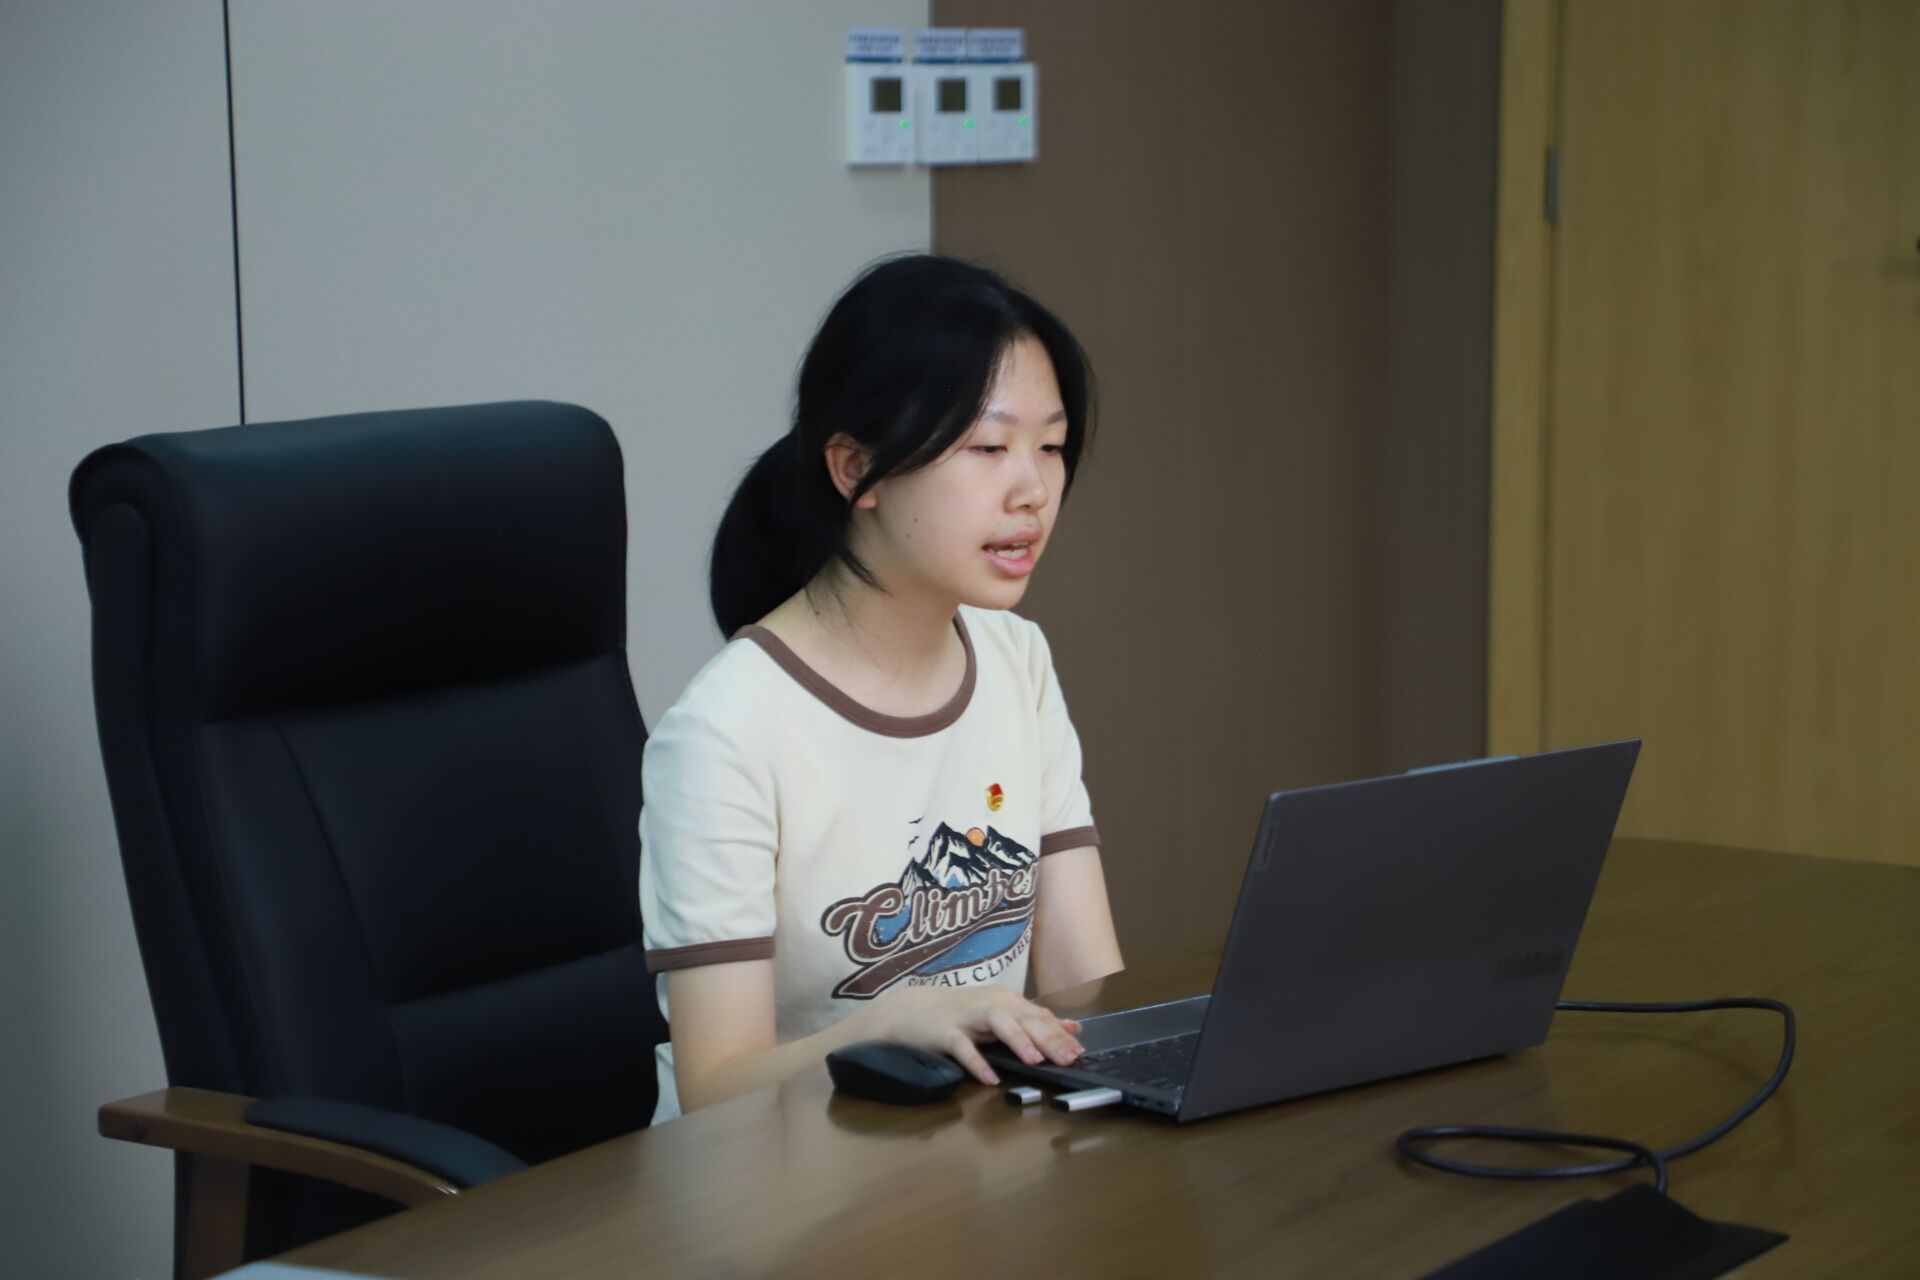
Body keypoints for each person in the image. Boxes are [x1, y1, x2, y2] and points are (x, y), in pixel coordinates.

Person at [639, 253, 1124, 1121]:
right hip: (768, 1187)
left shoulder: (1016, 659)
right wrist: (894, 1024)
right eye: (988, 448)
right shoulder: (726, 729)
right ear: (853, 468)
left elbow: (1086, 991)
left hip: (970, 1155)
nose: (1033, 491)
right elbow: (713, 1088)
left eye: (1050, 447)